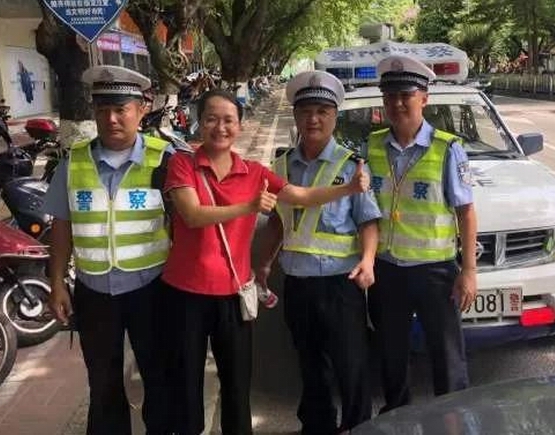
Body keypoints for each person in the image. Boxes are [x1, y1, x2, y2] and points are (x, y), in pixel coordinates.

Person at [162, 89, 370, 435]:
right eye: (211, 118)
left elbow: (301, 196)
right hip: (187, 294)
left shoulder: (255, 172)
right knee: (186, 382)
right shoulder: (183, 164)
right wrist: (249, 206)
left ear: (240, 126)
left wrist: (347, 189)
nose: (220, 127)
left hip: (234, 293)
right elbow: (193, 214)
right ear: (199, 123)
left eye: (228, 120)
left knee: (237, 384)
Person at [44, 65, 173, 435]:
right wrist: (56, 284)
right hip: (95, 292)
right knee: (102, 383)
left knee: (159, 375)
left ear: (141, 109)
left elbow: (185, 223)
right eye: (102, 110)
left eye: (121, 109)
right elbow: (62, 227)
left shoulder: (165, 160)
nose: (111, 118)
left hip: (152, 290)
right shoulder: (73, 163)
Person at [256, 72, 381, 434]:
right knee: (310, 366)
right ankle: (318, 427)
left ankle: (359, 427)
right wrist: (263, 263)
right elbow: (279, 223)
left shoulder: (350, 166)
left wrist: (368, 261)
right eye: (306, 110)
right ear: (295, 116)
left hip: (341, 285)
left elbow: (368, 221)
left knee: (351, 365)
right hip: (298, 284)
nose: (314, 118)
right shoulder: (280, 169)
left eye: (323, 111)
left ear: (334, 117)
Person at [365, 54, 478, 413]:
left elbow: (466, 211)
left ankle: (453, 417)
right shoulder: (373, 146)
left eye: (406, 95)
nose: (398, 104)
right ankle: (397, 415)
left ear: (424, 98)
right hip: (388, 270)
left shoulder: (447, 148)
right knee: (391, 352)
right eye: (390, 97)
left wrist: (469, 271)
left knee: (447, 354)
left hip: (435, 272)